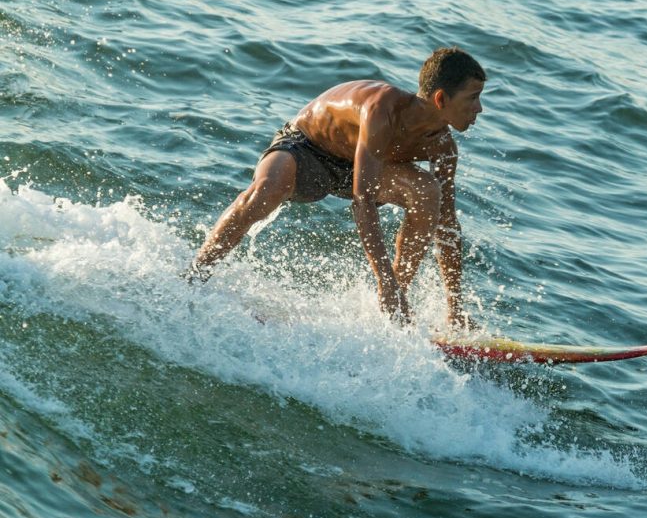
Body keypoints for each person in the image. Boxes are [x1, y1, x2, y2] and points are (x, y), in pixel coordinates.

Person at [187, 46, 486, 328]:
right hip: (306, 149)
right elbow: (363, 200)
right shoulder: (383, 109)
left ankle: (395, 306)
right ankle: (195, 275)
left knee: (427, 191)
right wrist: (383, 280)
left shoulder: (443, 148)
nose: (480, 108)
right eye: (473, 98)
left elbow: (447, 224)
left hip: (362, 167)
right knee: (267, 190)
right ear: (440, 99)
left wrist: (455, 308)